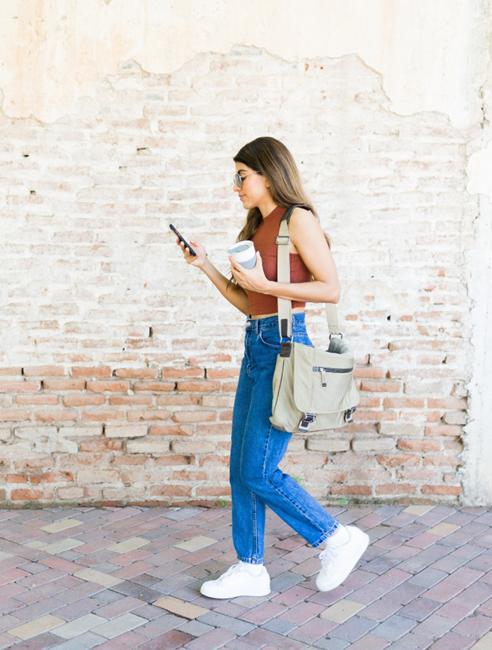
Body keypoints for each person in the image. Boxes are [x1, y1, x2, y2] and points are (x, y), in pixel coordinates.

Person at [176, 137, 369, 598]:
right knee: (241, 467)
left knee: (259, 470)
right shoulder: (257, 227)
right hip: (257, 343)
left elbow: (331, 288)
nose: (236, 185)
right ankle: (250, 568)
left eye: (242, 175)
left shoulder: (296, 219)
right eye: (236, 177)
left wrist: (267, 280)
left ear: (268, 173)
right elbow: (250, 302)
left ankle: (336, 537)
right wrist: (204, 265)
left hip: (286, 345)